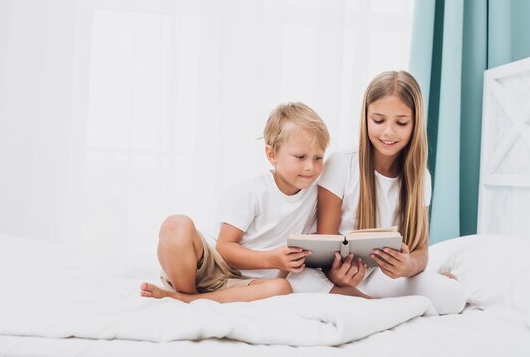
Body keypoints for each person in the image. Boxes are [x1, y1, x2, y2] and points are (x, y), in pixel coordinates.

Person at [287, 71, 466, 315]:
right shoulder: (341, 165)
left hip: (382, 277)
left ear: (415, 123)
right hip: (336, 278)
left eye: (401, 123)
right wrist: (336, 274)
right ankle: (375, 305)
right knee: (296, 281)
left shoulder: (421, 177)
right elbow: (324, 243)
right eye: (379, 120)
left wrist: (408, 266)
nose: (388, 132)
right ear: (366, 118)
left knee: (454, 298)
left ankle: (368, 304)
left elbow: (421, 251)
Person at [140, 102, 330, 303]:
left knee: (282, 287)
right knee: (175, 225)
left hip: (246, 284)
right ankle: (187, 294)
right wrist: (272, 259)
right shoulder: (253, 192)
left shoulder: (317, 197)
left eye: (318, 157)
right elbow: (225, 249)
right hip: (211, 269)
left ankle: (187, 300)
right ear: (272, 155)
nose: (310, 166)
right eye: (300, 157)